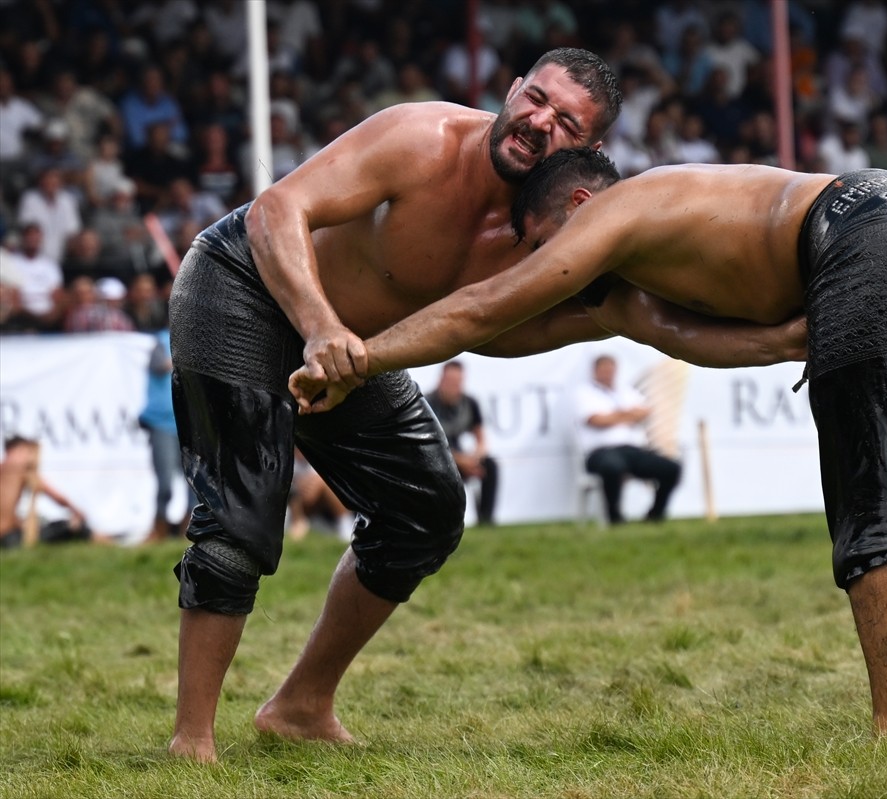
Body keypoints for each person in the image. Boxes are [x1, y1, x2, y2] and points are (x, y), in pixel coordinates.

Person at [291, 152, 887, 736]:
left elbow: (485, 309)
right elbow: (680, 337)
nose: (549, 265)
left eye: (542, 243)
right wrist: (790, 337)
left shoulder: (614, 213)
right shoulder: (658, 239)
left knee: (873, 497)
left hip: (867, 234)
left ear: (579, 204)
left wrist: (359, 356)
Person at [164, 48, 625, 764]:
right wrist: (320, 326)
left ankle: (300, 706)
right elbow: (277, 208)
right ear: (512, 90)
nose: (539, 123)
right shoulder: (422, 138)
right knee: (240, 518)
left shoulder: (545, 231)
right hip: (244, 284)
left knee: (426, 509)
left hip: (353, 347)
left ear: (588, 152)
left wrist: (773, 330)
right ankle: (191, 740)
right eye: (536, 99)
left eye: (566, 122)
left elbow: (497, 329)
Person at [573, 354, 681, 524]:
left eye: (611, 369)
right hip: (600, 452)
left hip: (631, 450)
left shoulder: (625, 391)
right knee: (612, 467)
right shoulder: (584, 393)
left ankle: (655, 516)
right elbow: (596, 420)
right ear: (595, 371)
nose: (608, 373)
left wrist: (614, 416)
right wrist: (627, 415)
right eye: (604, 369)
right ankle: (615, 518)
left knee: (671, 468)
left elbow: (644, 412)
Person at [425, 361, 499, 526]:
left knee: (490, 466)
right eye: (450, 383)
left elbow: (481, 439)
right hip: (436, 459)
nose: (455, 388)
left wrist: (475, 458)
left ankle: (486, 519)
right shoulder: (427, 403)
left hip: (461, 457)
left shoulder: (469, 403)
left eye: (458, 383)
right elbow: (429, 446)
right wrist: (460, 461)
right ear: (441, 380)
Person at [140, 326, 192, 542]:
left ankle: (189, 528)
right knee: (165, 483)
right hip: (162, 423)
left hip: (189, 423)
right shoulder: (161, 341)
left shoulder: (195, 341)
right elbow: (159, 365)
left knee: (194, 481)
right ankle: (159, 527)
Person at [0, 436, 89, 548]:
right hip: (9, 537)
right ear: (18, 450)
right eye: (27, 451)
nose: (29, 456)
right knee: (71, 526)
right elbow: (57, 498)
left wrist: (21, 524)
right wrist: (77, 511)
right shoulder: (21, 470)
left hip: (6, 535)